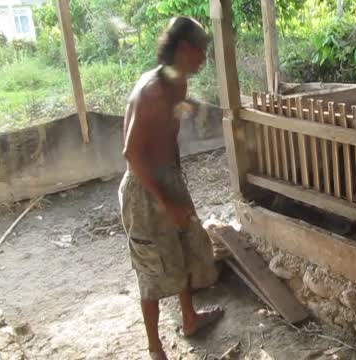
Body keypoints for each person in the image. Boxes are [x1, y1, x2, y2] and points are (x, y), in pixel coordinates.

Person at [118, 17, 223, 360]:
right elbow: (132, 154)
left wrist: (178, 187)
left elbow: (168, 137)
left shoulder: (178, 86)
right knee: (151, 268)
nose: (204, 59)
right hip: (144, 190)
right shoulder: (152, 90)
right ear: (182, 49)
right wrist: (165, 200)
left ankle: (190, 319)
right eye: (200, 51)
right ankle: (154, 347)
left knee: (183, 251)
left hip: (167, 179)